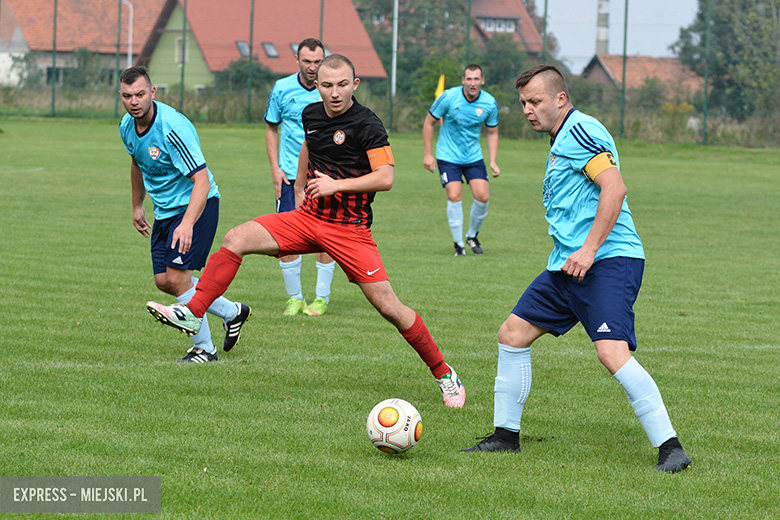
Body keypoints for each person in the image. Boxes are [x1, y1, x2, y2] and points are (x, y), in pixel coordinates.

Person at [146, 54, 466, 407]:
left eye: (342, 85)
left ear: (355, 84)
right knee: (236, 238)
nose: (335, 92)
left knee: (390, 307)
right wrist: (299, 187)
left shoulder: (367, 124)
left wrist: (335, 186)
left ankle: (444, 374)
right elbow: (308, 145)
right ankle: (194, 313)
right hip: (308, 219)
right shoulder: (311, 113)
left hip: (349, 230)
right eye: (327, 85)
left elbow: (385, 178)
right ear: (317, 86)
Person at [460, 65, 691, 473]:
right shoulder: (560, 138)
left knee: (611, 352)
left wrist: (589, 249)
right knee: (512, 334)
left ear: (560, 98)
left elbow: (614, 188)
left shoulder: (582, 130)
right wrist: (578, 253)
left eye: (535, 101)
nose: (528, 110)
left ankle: (671, 448)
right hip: (568, 265)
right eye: (523, 103)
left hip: (607, 260)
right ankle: (505, 437)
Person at [119, 66, 251, 363]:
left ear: (152, 92)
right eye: (127, 96)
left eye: (140, 94)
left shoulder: (172, 127)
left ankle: (205, 349)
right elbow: (136, 163)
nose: (134, 101)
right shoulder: (127, 126)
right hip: (166, 212)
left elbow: (201, 181)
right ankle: (232, 312)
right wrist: (137, 205)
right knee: (164, 281)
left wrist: (188, 224)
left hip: (197, 205)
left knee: (179, 278)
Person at [265, 38, 337, 317]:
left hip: (322, 175)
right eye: (307, 61)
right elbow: (271, 129)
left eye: (317, 61)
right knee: (286, 237)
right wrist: (275, 169)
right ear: (297, 60)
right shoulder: (282, 88)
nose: (312, 66)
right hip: (288, 175)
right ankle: (294, 298)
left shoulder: (330, 90)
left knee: (325, 236)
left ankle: (321, 298)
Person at [422, 64, 500, 257]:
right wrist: (428, 154)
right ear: (463, 80)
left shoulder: (489, 103)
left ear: (482, 81)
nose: (473, 83)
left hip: (473, 156)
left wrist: (493, 160)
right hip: (447, 156)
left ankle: (472, 236)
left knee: (482, 196)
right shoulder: (449, 97)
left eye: (476, 79)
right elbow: (429, 123)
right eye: (469, 79)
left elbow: (492, 132)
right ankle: (458, 245)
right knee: (454, 195)